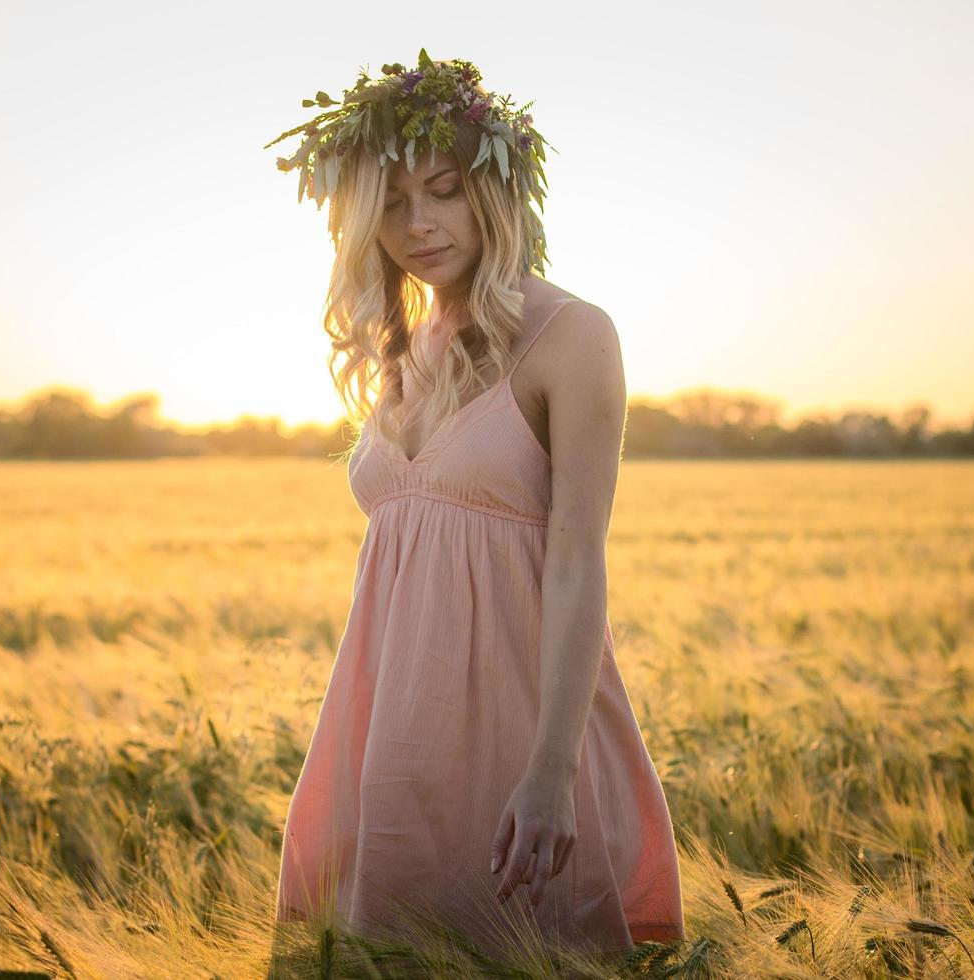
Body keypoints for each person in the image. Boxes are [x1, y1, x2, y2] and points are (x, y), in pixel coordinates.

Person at [265, 49, 685, 965]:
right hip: (391, 739)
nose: (419, 225)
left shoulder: (571, 336)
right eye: (391, 204)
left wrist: (550, 771)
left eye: (444, 190)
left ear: (492, 191)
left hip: (524, 732)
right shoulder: (399, 348)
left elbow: (577, 559)